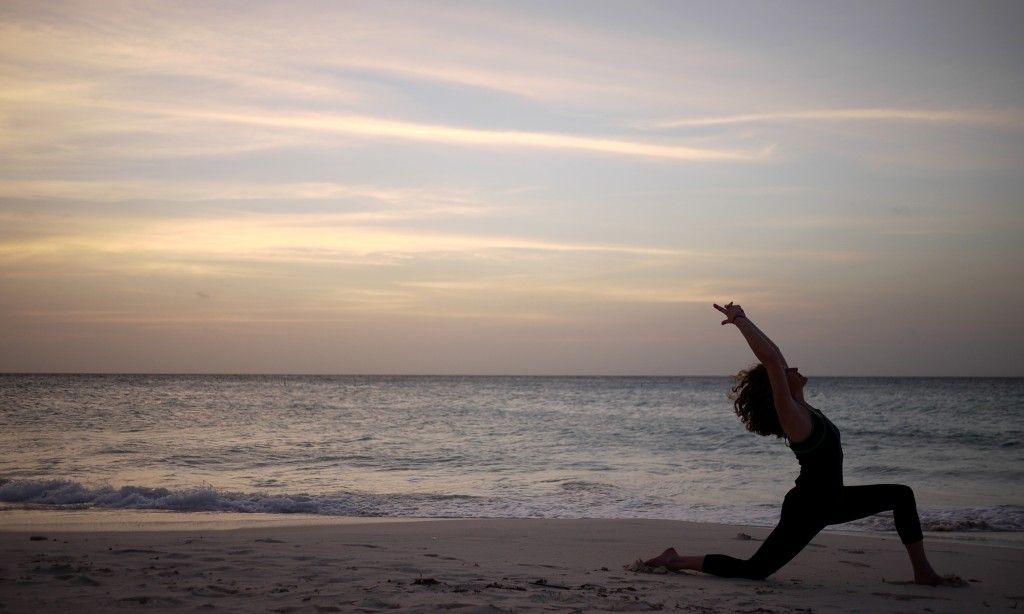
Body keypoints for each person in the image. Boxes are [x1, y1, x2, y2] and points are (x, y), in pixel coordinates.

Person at [642, 302, 947, 585]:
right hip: (809, 508)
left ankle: (923, 572)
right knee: (755, 571)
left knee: (902, 496)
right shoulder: (793, 418)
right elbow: (771, 359)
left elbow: (776, 353)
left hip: (833, 501)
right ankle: (675, 560)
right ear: (778, 387)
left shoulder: (802, 407)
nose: (794, 369)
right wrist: (739, 321)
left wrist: (746, 317)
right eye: (786, 373)